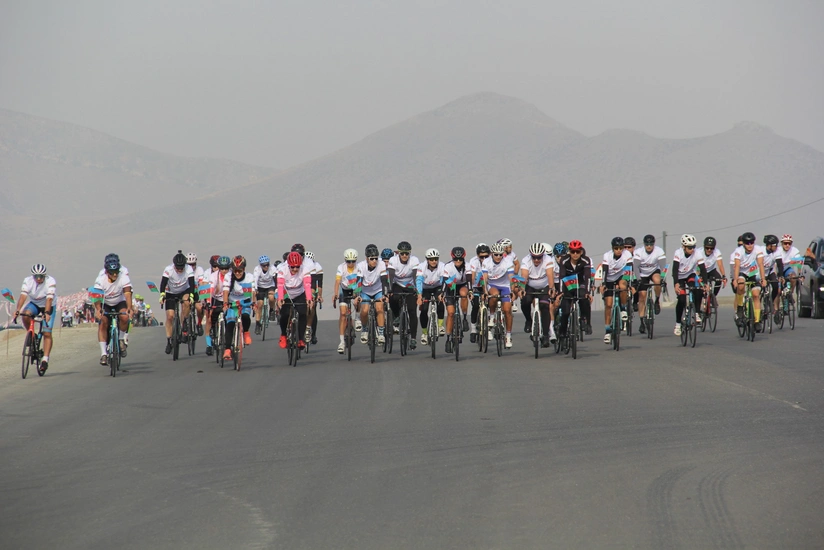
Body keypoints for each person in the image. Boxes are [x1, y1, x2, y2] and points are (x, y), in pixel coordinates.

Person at [15, 264, 56, 374]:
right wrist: (17, 310)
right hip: (35, 304)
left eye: (41, 276)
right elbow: (23, 296)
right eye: (36, 276)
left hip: (48, 305)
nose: (38, 279)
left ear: (44, 276)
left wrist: (47, 313)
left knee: (47, 332)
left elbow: (49, 299)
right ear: (33, 276)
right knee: (25, 314)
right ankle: (32, 334)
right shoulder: (27, 281)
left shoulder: (50, 281)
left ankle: (45, 360)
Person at [93, 254, 132, 365]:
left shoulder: (124, 276)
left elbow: (128, 294)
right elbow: (97, 297)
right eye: (112, 272)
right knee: (103, 323)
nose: (114, 275)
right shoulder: (100, 279)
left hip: (120, 301)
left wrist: (129, 308)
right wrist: (99, 309)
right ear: (107, 272)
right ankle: (103, 354)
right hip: (106, 302)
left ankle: (120, 339)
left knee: (124, 317)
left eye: (116, 272)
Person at [160, 250, 197, 354]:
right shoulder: (168, 269)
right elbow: (163, 283)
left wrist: (191, 295)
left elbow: (191, 283)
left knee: (186, 302)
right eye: (178, 268)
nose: (180, 270)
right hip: (170, 292)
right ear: (174, 265)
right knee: (170, 316)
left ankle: (184, 321)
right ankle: (169, 341)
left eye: (182, 268)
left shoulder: (188, 269)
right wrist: (162, 295)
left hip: (184, 290)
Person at [519, 242, 556, 347]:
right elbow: (524, 276)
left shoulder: (548, 260)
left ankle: (545, 335)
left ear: (542, 255)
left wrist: (551, 288)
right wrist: (522, 289)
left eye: (539, 257)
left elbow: (550, 275)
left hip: (544, 285)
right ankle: (528, 320)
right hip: (531, 284)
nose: (536, 260)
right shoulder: (526, 261)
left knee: (544, 306)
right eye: (534, 257)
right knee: (525, 301)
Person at [276, 251, 314, 349]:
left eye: (297, 266)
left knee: (302, 313)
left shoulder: (305, 270)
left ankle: (301, 339)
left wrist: (309, 299)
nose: (295, 269)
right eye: (292, 267)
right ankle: (283, 335)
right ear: (288, 265)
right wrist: (280, 298)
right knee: (284, 314)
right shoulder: (282, 270)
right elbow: (280, 286)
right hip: (286, 293)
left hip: (299, 293)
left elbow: (307, 285)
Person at [600, 237, 633, 344]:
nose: (619, 250)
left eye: (621, 248)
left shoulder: (627, 254)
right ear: (612, 248)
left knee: (623, 286)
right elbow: (604, 271)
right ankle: (607, 331)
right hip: (609, 279)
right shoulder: (607, 256)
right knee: (608, 305)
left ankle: (623, 309)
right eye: (616, 248)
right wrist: (604, 284)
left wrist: (631, 284)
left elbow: (629, 269)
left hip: (620, 276)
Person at [672, 234, 707, 335]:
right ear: (683, 247)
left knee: (698, 289)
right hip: (680, 276)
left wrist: (704, 283)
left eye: (693, 247)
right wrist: (676, 284)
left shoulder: (697, 253)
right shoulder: (678, 253)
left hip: (690, 274)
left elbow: (703, 269)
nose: (692, 249)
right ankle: (678, 324)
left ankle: (696, 313)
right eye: (690, 247)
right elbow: (674, 269)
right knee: (682, 299)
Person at [387, 241, 420, 349]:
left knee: (412, 310)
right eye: (402, 253)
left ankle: (414, 338)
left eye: (407, 253)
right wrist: (389, 290)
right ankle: (396, 316)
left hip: (410, 285)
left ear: (409, 253)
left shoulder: (414, 260)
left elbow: (415, 276)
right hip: (398, 284)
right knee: (393, 296)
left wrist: (417, 290)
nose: (405, 256)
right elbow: (391, 276)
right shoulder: (393, 260)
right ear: (398, 253)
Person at [557, 239, 593, 336]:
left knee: (584, 298)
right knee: (565, 311)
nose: (575, 254)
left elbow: (587, 277)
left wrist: (587, 292)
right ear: (569, 252)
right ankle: (563, 330)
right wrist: (560, 292)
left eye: (577, 251)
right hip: (567, 284)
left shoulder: (586, 260)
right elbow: (561, 277)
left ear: (581, 252)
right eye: (573, 251)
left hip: (580, 283)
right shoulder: (564, 260)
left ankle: (586, 321)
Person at [221, 255, 255, 360]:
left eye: (240, 271)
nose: (237, 273)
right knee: (230, 324)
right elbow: (225, 291)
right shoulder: (228, 276)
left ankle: (246, 332)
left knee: (245, 316)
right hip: (232, 302)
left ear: (244, 269)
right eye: (235, 271)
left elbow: (253, 292)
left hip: (245, 301)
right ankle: (227, 350)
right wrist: (225, 303)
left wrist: (253, 303)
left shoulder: (249, 277)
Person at [483, 242, 515, 348]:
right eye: (496, 254)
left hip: (505, 285)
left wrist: (513, 291)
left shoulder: (508, 262)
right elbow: (484, 278)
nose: (498, 257)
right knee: (495, 295)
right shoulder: (486, 262)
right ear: (492, 254)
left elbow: (511, 278)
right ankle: (491, 316)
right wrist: (485, 291)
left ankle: (508, 336)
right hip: (492, 284)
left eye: (500, 254)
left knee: (507, 310)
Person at [732, 231, 766, 331]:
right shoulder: (738, 251)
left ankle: (757, 321)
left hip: (753, 273)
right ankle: (740, 307)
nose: (750, 245)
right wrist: (735, 279)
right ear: (743, 244)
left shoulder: (758, 249)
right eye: (747, 243)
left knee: (756, 295)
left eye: (752, 243)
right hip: (742, 272)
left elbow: (760, 265)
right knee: (741, 285)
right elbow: (737, 266)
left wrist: (763, 279)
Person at [634, 234, 667, 333]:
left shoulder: (659, 251)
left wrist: (663, 279)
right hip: (642, 274)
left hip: (653, 271)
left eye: (651, 244)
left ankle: (656, 300)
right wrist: (639, 279)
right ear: (644, 244)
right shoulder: (639, 252)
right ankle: (641, 322)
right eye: (647, 244)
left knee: (657, 281)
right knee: (642, 296)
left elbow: (663, 267)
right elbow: (635, 267)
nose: (649, 246)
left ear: (654, 244)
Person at [357, 244, 389, 345]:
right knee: (365, 310)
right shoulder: (361, 266)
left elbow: (384, 281)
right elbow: (359, 281)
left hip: (378, 290)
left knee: (380, 308)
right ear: (367, 258)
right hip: (365, 291)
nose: (374, 261)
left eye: (376, 258)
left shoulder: (381, 264)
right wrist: (358, 295)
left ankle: (381, 333)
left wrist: (385, 295)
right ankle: (365, 329)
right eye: (372, 259)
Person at [442, 246, 471, 353]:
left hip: (462, 285)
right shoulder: (448, 266)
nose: (458, 262)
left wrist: (471, 291)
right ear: (452, 258)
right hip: (450, 286)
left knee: (464, 293)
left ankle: (464, 318)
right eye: (456, 259)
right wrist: (442, 293)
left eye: (460, 259)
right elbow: (445, 281)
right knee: (450, 313)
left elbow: (468, 280)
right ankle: (448, 339)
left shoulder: (467, 266)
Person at [416, 248, 446, 345]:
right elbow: (419, 281)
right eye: (431, 259)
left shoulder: (442, 266)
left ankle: (440, 326)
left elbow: (443, 281)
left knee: (440, 302)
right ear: (427, 260)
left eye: (435, 259)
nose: (434, 261)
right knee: (424, 309)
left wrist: (442, 293)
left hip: (437, 287)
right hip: (425, 288)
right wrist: (419, 296)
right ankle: (424, 333)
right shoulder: (421, 266)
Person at [333, 248, 360, 353]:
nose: (351, 263)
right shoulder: (341, 267)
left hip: (356, 289)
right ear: (345, 260)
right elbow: (337, 281)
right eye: (348, 261)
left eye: (353, 261)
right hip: (344, 290)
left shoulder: (359, 267)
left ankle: (357, 318)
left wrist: (356, 294)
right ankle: (341, 342)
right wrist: (335, 294)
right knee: (343, 314)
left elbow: (360, 281)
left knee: (358, 300)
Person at [204, 256, 230, 356]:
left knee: (230, 318)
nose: (224, 270)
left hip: (227, 298)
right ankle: (209, 344)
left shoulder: (231, 275)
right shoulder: (214, 276)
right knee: (210, 318)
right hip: (216, 299)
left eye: (226, 268)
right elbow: (210, 290)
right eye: (222, 268)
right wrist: (209, 303)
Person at [467, 243, 490, 343]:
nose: (484, 258)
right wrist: (471, 290)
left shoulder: (491, 261)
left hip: (487, 284)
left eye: (486, 256)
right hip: (476, 284)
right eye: (482, 257)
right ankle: (473, 330)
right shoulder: (473, 261)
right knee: (475, 305)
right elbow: (472, 277)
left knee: (490, 302)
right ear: (477, 256)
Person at [253, 255, 276, 335]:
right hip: (260, 287)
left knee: (271, 297)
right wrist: (255, 289)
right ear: (260, 265)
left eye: (267, 264)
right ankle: (258, 324)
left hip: (270, 286)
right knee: (260, 304)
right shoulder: (257, 269)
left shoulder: (272, 268)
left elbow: (275, 278)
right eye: (264, 265)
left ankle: (272, 310)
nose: (266, 266)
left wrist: (276, 289)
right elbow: (255, 280)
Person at [305, 251, 323, 345]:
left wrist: (319, 295)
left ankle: (314, 334)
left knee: (313, 309)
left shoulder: (318, 267)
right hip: (303, 287)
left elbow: (319, 284)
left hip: (313, 288)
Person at [186, 253, 206, 336]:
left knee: (199, 308)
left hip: (196, 291)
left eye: (193, 264)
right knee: (185, 306)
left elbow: (201, 283)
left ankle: (199, 323)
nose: (191, 267)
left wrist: (202, 297)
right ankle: (184, 325)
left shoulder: (199, 270)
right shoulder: (184, 270)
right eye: (189, 265)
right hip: (187, 291)